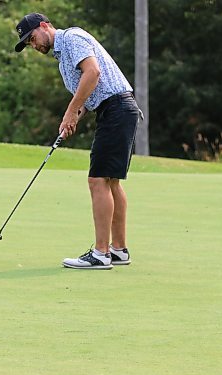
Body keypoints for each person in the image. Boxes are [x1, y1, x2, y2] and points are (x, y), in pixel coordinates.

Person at [14, 13, 141, 270]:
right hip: (114, 111)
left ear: (44, 26)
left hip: (117, 109)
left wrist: (70, 111)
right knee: (110, 181)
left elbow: (92, 72)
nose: (34, 45)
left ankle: (101, 253)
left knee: (98, 180)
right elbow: (86, 94)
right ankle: (118, 250)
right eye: (28, 43)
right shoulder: (63, 62)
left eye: (32, 38)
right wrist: (72, 119)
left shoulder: (72, 38)